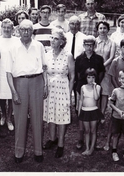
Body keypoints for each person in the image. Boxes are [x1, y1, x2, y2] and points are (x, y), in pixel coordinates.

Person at [6, 19, 47, 163]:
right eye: (23, 29)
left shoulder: (39, 45)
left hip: (37, 81)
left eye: (29, 29)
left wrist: (45, 85)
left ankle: (38, 151)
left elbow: (44, 67)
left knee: (37, 117)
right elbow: (8, 73)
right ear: (18, 31)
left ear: (32, 31)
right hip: (20, 83)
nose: (26, 32)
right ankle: (19, 152)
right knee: (20, 118)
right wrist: (14, 92)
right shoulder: (12, 47)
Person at [43, 28, 75, 158]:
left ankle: (60, 144)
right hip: (49, 88)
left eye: (55, 38)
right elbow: (44, 72)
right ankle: (52, 139)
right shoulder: (46, 54)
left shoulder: (68, 56)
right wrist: (45, 86)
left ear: (62, 42)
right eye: (52, 38)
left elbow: (72, 76)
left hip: (63, 88)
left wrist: (70, 93)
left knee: (61, 116)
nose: (52, 40)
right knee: (51, 113)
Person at [75, 35, 105, 149]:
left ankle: (93, 139)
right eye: (86, 45)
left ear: (94, 46)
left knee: (93, 112)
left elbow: (101, 73)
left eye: (91, 45)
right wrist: (82, 86)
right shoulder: (79, 58)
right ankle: (81, 138)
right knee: (81, 112)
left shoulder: (99, 58)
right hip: (81, 88)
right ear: (83, 46)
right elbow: (78, 74)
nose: (89, 47)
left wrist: (96, 85)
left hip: (94, 89)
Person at [0, 18, 19, 131]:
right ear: (2, 28)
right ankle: (3, 115)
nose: (7, 29)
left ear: (12, 29)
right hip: (1, 71)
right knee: (2, 97)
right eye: (4, 27)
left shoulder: (16, 40)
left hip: (12, 71)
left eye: (9, 27)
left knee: (11, 96)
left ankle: (9, 118)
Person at [78, 68, 104, 155]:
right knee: (87, 130)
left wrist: (94, 87)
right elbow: (81, 100)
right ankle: (87, 148)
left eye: (93, 77)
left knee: (93, 130)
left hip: (94, 111)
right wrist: (79, 111)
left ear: (95, 78)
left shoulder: (98, 87)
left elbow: (96, 98)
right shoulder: (83, 87)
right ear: (86, 78)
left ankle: (92, 148)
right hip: (85, 111)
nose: (91, 79)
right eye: (89, 77)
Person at [95, 21, 116, 123]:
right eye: (100, 28)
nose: (102, 30)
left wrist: (102, 67)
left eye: (104, 28)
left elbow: (111, 57)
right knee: (96, 92)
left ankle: (102, 114)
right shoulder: (94, 42)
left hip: (106, 70)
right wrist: (97, 68)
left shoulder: (112, 43)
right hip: (95, 71)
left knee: (104, 93)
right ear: (97, 30)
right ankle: (94, 112)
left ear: (108, 30)